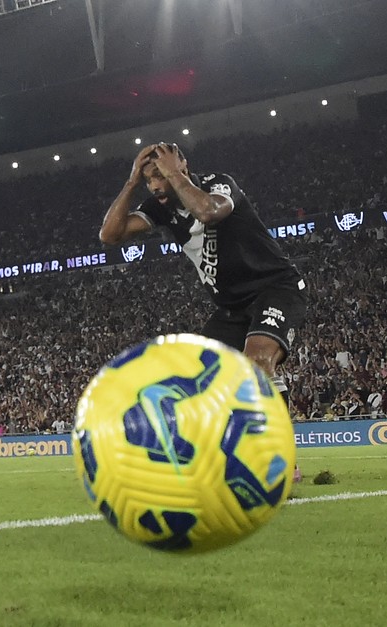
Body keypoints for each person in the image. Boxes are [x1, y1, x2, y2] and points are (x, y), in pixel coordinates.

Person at [100, 142, 308, 481]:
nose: (155, 186)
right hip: (231, 307)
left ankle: (280, 462)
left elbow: (208, 212)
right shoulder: (159, 206)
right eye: (149, 179)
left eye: (159, 176)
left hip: (275, 288)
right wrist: (130, 183)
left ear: (181, 164)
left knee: (257, 361)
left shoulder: (218, 184)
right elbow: (110, 235)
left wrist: (175, 176)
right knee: (199, 375)